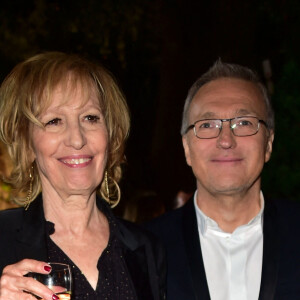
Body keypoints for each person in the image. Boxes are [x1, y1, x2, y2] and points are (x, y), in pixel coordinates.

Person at [0, 52, 166, 300]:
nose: (77, 139)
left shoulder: (147, 249)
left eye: (90, 118)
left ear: (111, 135)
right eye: (54, 120)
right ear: (27, 143)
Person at [146, 60, 300, 300]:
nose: (226, 140)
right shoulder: (143, 251)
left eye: (244, 123)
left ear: (268, 144)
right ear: (187, 147)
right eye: (207, 125)